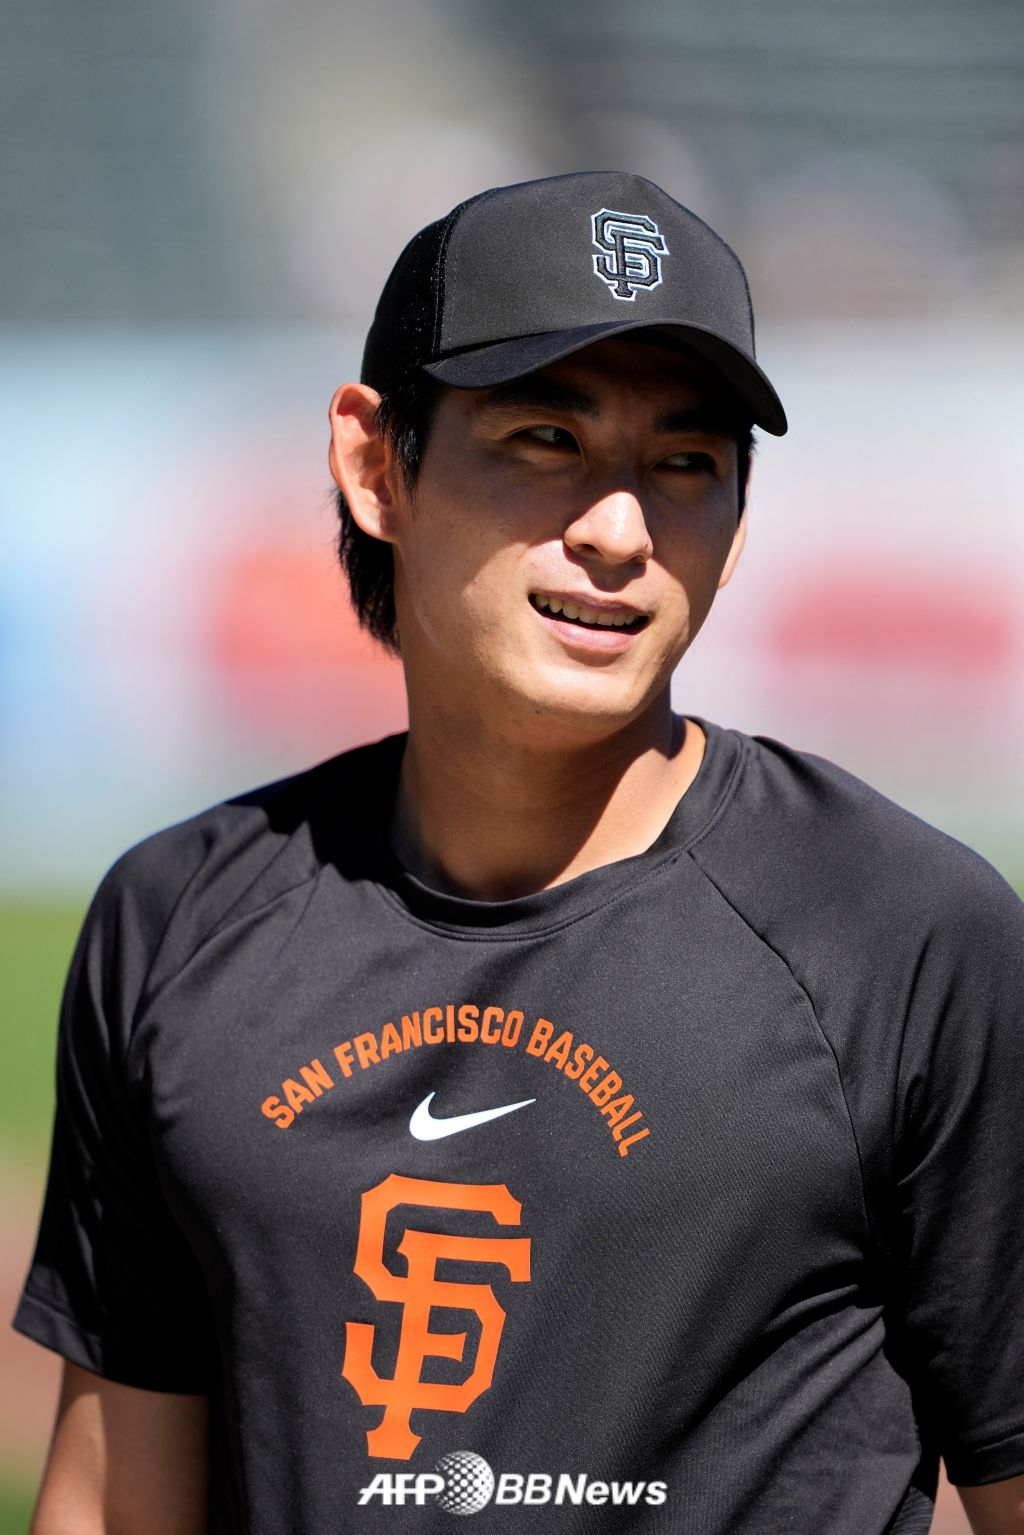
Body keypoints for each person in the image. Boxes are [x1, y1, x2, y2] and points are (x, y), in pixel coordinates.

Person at [15, 172, 1024, 1535]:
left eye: (685, 464)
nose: (620, 530)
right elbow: (110, 1500)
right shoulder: (177, 920)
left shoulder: (907, 936)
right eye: (547, 438)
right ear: (377, 466)